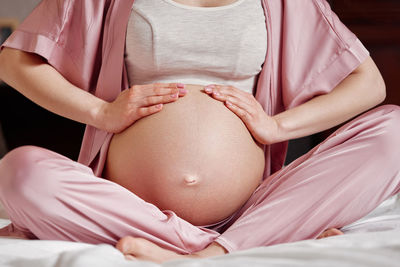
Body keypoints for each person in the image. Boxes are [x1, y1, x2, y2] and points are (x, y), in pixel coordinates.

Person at [0, 0, 399, 263]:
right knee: (19, 171)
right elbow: (13, 61)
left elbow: (369, 85)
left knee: (394, 130)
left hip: (251, 206)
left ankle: (207, 249)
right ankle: (223, 246)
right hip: (130, 207)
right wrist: (101, 111)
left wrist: (278, 126)